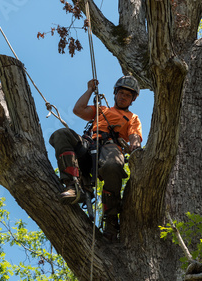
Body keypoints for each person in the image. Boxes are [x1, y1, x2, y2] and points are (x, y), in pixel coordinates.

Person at [49, 75, 142, 241]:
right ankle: (73, 186)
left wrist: (135, 147)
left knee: (113, 166)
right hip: (89, 144)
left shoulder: (132, 118)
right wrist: (90, 89)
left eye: (128, 95)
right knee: (61, 134)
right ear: (115, 94)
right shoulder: (102, 110)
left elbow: (134, 136)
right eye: (121, 93)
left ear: (132, 99)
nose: (123, 97)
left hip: (111, 147)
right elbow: (78, 110)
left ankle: (111, 219)